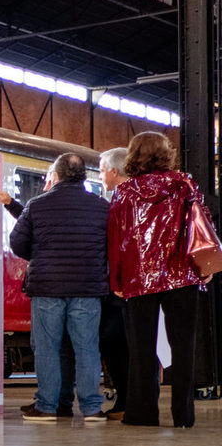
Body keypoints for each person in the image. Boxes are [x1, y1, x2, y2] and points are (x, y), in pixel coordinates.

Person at [107, 132, 213, 428]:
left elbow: (116, 238)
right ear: (167, 154)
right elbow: (201, 225)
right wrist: (204, 265)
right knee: (183, 347)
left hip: (138, 279)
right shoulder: (184, 184)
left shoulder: (125, 192)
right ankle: (183, 415)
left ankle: (142, 414)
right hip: (182, 276)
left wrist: (115, 279)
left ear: (133, 155)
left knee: (140, 349)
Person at [8, 153, 111, 421]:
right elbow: (112, 246)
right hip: (87, 289)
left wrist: (42, 253)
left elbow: (17, 244)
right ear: (84, 176)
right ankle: (91, 408)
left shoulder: (37, 205)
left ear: (57, 174)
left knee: (47, 348)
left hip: (47, 287)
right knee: (87, 347)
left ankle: (46, 407)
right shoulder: (101, 206)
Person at [97, 146, 132, 420]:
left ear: (113, 171)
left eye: (101, 170)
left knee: (115, 341)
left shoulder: (125, 198)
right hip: (128, 283)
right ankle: (128, 399)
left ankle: (127, 401)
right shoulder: (124, 196)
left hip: (122, 285)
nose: (100, 176)